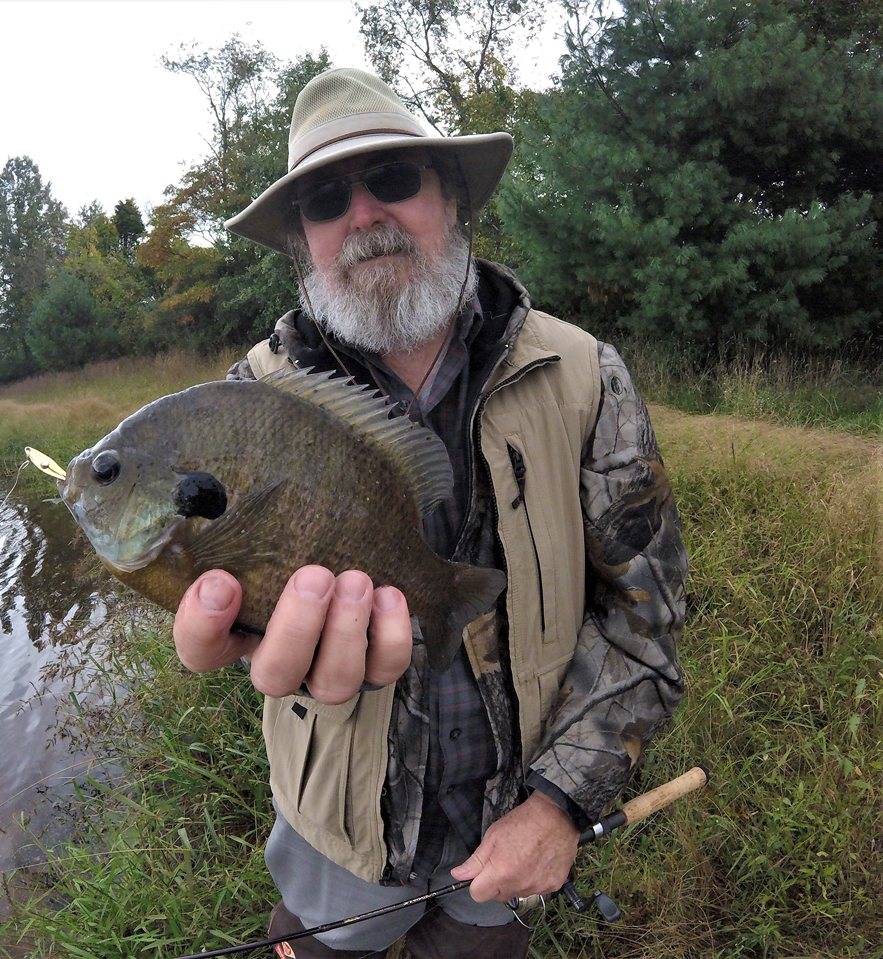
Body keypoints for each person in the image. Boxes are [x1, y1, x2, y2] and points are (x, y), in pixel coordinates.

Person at [172, 68, 688, 959]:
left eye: (396, 178)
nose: (364, 212)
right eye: (328, 197)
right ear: (304, 240)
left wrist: (560, 802)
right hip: (338, 842)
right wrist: (218, 626)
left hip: (509, 828)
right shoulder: (244, 406)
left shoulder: (584, 374)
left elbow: (650, 617)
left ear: (451, 197)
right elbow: (208, 588)